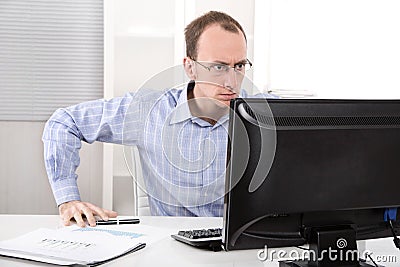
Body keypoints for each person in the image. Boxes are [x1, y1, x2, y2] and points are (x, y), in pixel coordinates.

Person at [42, 11, 275, 227]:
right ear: (191, 68)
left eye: (239, 66)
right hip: (174, 247)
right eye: (218, 67)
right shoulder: (148, 110)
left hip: (246, 244)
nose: (231, 82)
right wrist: (68, 199)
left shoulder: (266, 113)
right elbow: (63, 122)